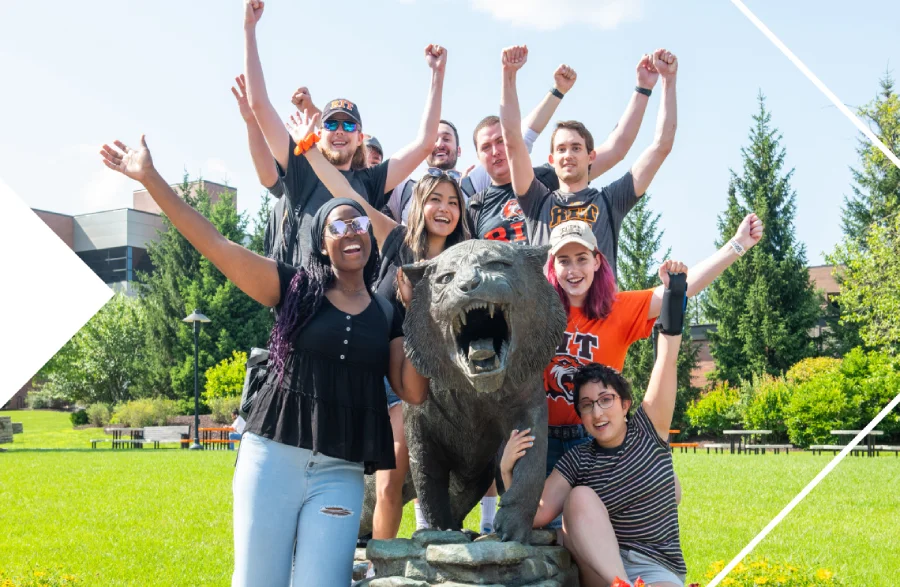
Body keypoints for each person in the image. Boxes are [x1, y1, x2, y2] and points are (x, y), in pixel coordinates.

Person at [100, 134, 428, 586]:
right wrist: (151, 179)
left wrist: (420, 313)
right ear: (320, 242)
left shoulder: (389, 311)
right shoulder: (294, 288)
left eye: (359, 223)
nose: (351, 230)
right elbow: (215, 244)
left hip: (339, 473)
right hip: (272, 459)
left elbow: (413, 391)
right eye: (336, 225)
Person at [286, 110, 470, 541]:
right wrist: (309, 147)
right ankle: (329, 547)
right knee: (351, 472)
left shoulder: (462, 262)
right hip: (369, 371)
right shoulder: (394, 239)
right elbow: (344, 191)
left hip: (415, 381)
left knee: (391, 479)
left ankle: (382, 563)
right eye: (436, 200)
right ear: (419, 205)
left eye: (453, 202)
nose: (444, 209)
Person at [540, 215, 763, 528]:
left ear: (597, 262)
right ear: (553, 266)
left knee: (588, 529)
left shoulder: (617, 309)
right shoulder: (538, 311)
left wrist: (737, 245)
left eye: (581, 259)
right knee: (539, 532)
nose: (573, 270)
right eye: (564, 261)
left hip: (591, 439)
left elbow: (683, 289)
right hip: (541, 439)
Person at [242, 0, 446, 264]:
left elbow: (425, 143)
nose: (340, 131)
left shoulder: (371, 180)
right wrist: (249, 28)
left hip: (355, 300)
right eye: (332, 124)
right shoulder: (300, 169)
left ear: (360, 138)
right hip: (308, 298)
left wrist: (437, 75)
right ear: (319, 132)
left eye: (349, 125)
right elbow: (259, 104)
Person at [500, 324, 689, 586]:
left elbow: (667, 361)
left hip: (656, 568)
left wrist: (674, 295)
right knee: (579, 496)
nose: (597, 413)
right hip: (602, 572)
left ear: (625, 405)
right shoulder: (577, 460)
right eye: (587, 405)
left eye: (605, 400)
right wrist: (507, 471)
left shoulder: (649, 431)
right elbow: (533, 515)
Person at [500, 46, 678, 274]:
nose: (569, 155)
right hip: (550, 309)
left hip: (599, 309)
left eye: (576, 148)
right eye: (561, 149)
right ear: (552, 160)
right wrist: (509, 74)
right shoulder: (537, 202)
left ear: (590, 156)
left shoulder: (611, 201)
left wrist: (668, 80)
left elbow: (661, 146)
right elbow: (513, 140)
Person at [467, 53, 656, 252]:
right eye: (486, 147)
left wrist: (642, 89)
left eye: (501, 141)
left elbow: (615, 149)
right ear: (478, 156)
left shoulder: (549, 178)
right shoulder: (474, 208)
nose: (496, 151)